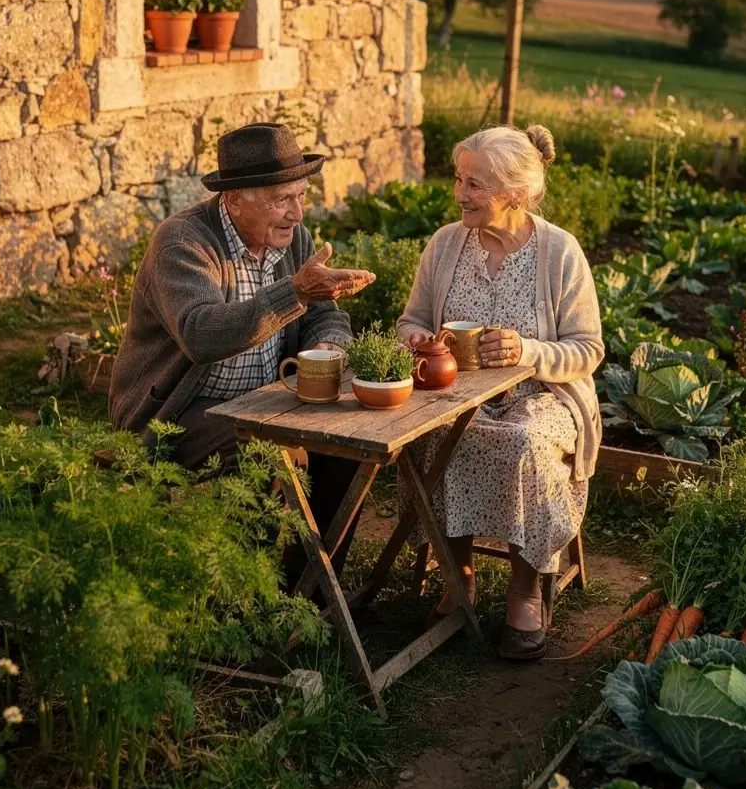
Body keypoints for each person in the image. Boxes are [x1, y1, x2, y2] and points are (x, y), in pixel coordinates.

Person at [110, 122, 375, 572]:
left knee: (348, 446)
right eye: (281, 200)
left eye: (301, 195)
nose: (297, 213)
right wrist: (294, 292)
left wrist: (327, 346)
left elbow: (326, 315)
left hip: (264, 402)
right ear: (233, 200)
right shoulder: (183, 242)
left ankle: (309, 593)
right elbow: (201, 334)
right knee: (269, 456)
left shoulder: (296, 240)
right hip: (180, 411)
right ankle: (243, 594)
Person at [397, 124, 604, 661]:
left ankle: (525, 589)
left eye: (475, 185)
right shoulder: (445, 245)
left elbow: (588, 349)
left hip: (544, 396)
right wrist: (416, 339)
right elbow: (410, 320)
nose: (460, 194)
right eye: (460, 180)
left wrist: (528, 351)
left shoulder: (559, 251)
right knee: (434, 433)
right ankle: (457, 572)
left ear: (514, 193)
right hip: (455, 394)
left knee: (523, 443)